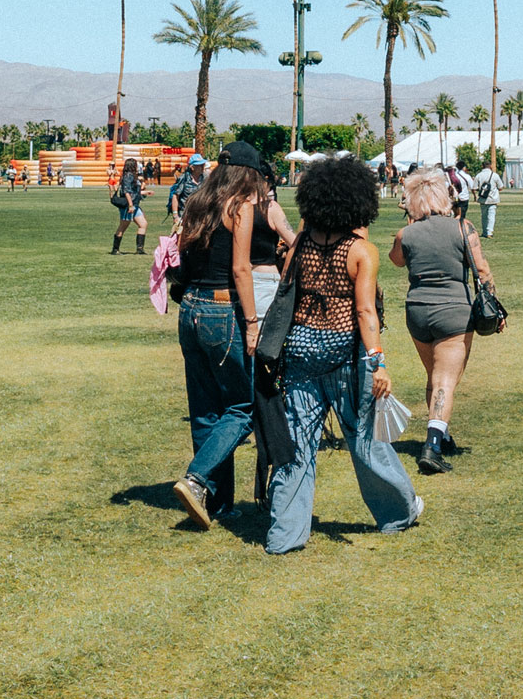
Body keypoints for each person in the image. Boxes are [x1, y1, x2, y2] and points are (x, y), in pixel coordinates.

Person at [265, 156, 422, 555]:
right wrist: (378, 361)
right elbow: (365, 311)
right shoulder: (362, 251)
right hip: (343, 350)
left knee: (298, 444)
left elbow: (286, 295)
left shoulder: (298, 245)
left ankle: (285, 534)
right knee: (364, 437)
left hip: (299, 348)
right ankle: (399, 512)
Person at [171, 147, 267, 528]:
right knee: (242, 408)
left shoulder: (196, 202)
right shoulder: (238, 206)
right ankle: (196, 480)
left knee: (206, 410)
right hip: (222, 309)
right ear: (246, 175)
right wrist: (253, 322)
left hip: (189, 308)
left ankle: (218, 502)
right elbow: (241, 269)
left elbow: (180, 254)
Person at [389, 168, 504, 474]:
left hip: (417, 310)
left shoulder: (406, 233)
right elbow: (482, 271)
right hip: (454, 309)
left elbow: (396, 259)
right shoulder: (463, 228)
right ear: (445, 196)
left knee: (434, 375)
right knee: (445, 380)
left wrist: (412, 224)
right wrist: (496, 309)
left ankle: (443, 433)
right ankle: (432, 445)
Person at [251, 157, 296, 322]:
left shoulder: (232, 205)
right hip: (263, 279)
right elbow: (295, 243)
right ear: (266, 180)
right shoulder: (270, 208)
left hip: (236, 280)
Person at [110, 157, 148, 256]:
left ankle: (140, 249)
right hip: (129, 206)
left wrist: (144, 192)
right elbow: (127, 191)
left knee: (143, 224)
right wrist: (130, 205)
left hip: (135, 205)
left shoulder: (133, 176)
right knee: (123, 226)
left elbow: (134, 191)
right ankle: (115, 249)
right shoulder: (128, 176)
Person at [167, 154, 206, 230]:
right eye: (200, 165)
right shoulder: (183, 179)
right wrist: (175, 216)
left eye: (203, 164)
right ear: (192, 167)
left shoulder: (205, 178)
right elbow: (175, 196)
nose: (202, 167)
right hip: (185, 215)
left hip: (201, 216)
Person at [473, 161, 504, 238]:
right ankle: (489, 232)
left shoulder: (479, 175)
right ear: (490, 166)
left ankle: (484, 232)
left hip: (483, 199)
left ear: (482, 166)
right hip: (493, 198)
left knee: (484, 216)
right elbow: (501, 187)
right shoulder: (495, 175)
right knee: (491, 215)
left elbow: (474, 188)